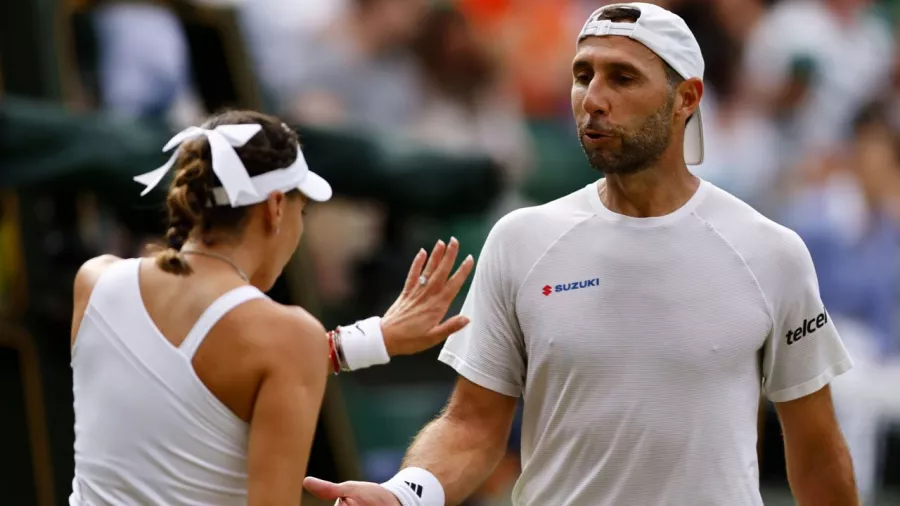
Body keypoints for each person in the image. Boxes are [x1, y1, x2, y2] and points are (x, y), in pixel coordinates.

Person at [303, 4, 859, 506]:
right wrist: (405, 495)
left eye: (622, 77)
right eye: (582, 74)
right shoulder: (520, 240)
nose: (592, 100)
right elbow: (472, 425)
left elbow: (814, 448)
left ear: (686, 98)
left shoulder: (772, 252)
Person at [68, 109, 474, 505]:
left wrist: (373, 339)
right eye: (303, 210)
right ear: (276, 206)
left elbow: (183, 384)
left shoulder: (95, 280)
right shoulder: (286, 339)